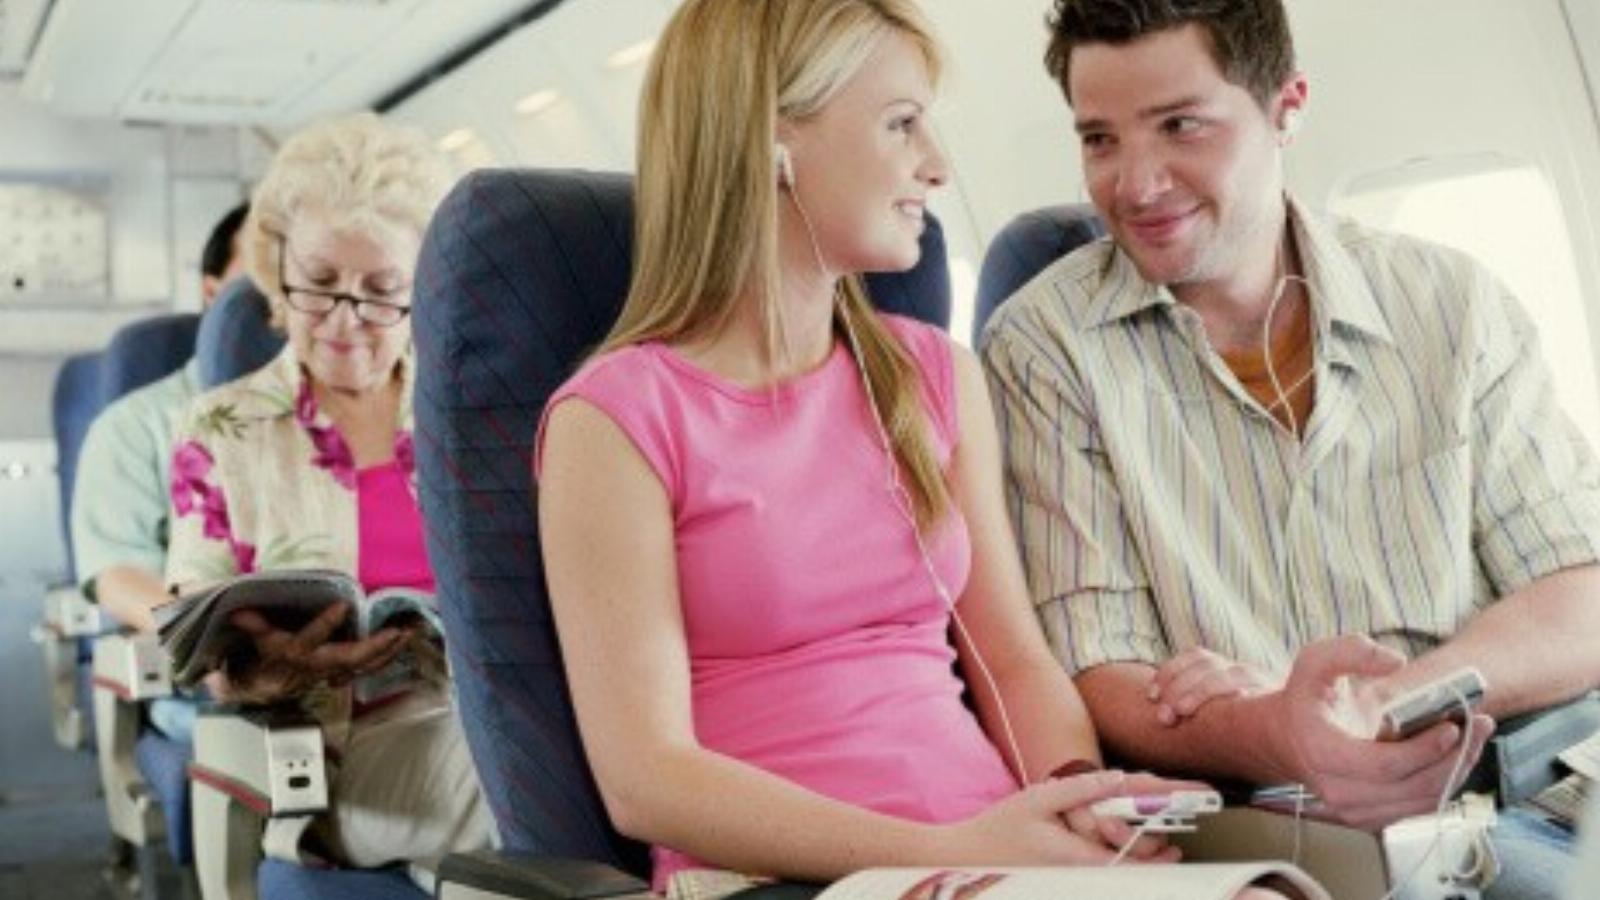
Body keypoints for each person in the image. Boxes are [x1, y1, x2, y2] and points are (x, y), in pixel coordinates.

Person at [537, 2, 1292, 899]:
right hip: (784, 876)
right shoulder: (615, 419)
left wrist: (1073, 799)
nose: (935, 165)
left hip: (986, 854)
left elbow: (1012, 662)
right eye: (901, 124)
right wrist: (944, 850)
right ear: (772, 143)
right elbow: (646, 780)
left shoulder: (931, 375)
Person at [978, 1, 1600, 897]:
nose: (1136, 185)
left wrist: (1380, 705)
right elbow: (1100, 673)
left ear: (1286, 107)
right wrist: (1280, 728)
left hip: (1522, 780)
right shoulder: (1044, 349)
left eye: (1180, 126)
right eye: (1100, 140)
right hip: (1279, 823)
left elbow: (1578, 591)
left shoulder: (1451, 305)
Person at [164, 112, 492, 876]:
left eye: (381, 292)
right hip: (334, 754)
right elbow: (198, 641)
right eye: (318, 285)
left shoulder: (470, 414)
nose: (345, 322)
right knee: (527, 780)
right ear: (279, 272)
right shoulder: (219, 429)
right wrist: (263, 668)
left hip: (489, 716)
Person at [72, 200, 249, 741]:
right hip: (217, 683)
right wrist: (230, 642)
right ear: (214, 294)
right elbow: (118, 575)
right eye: (265, 274)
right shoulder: (135, 426)